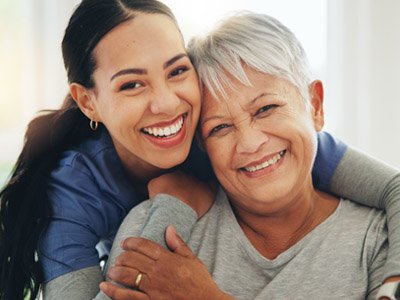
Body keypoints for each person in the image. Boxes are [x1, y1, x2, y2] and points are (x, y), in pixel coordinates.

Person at [0, 1, 399, 299]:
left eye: (176, 70)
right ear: (88, 102)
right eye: (132, 84)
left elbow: (393, 187)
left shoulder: (268, 147)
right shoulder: (74, 194)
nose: (168, 104)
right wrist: (173, 207)